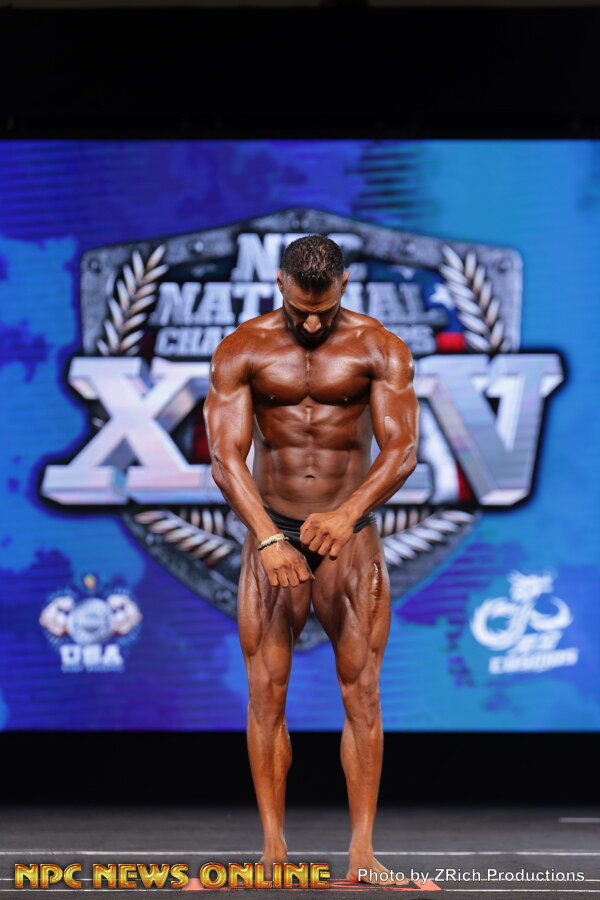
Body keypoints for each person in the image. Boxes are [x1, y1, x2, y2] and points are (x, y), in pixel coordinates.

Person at [204, 234, 419, 884]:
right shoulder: (243, 348)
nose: (313, 324)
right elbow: (225, 458)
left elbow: (402, 449)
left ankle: (363, 852)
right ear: (280, 284)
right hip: (273, 528)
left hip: (348, 535)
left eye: (324, 311)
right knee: (266, 693)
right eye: (301, 310)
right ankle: (272, 849)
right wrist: (269, 538)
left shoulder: (379, 347)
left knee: (363, 691)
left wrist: (348, 514)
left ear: (345, 284)